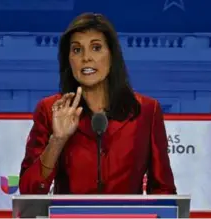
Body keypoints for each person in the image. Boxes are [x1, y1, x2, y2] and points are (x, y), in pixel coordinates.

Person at [19, 12, 176, 194]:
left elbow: (163, 189)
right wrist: (57, 140)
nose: (86, 57)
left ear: (111, 54)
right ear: (69, 60)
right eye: (77, 50)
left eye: (96, 48)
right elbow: (29, 191)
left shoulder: (147, 110)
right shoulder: (50, 110)